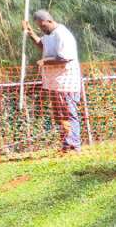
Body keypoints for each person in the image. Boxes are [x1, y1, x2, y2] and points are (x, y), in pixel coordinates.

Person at [23, 9, 83, 152]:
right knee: (59, 115)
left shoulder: (62, 34)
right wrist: (30, 33)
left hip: (66, 82)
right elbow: (42, 45)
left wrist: (45, 62)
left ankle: (74, 146)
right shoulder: (49, 35)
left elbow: (64, 58)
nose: (42, 29)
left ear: (50, 21)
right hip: (54, 83)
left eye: (43, 26)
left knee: (69, 113)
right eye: (39, 27)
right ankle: (66, 145)